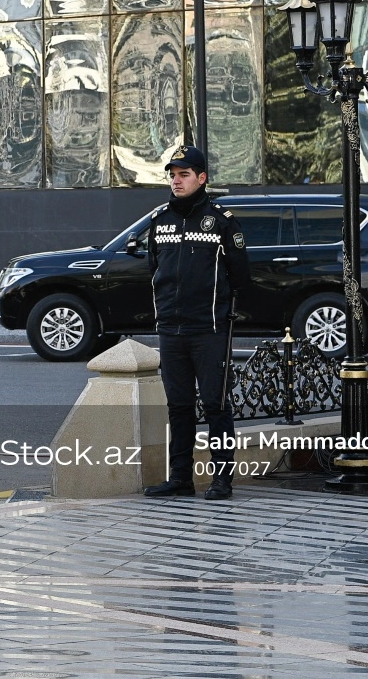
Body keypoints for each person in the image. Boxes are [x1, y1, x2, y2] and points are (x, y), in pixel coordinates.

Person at [143, 146, 250, 501]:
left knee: (216, 406)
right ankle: (180, 478)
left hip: (209, 329)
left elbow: (240, 275)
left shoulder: (221, 220)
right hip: (170, 329)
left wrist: (220, 311)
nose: (177, 180)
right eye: (173, 174)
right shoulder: (159, 221)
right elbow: (153, 268)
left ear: (202, 178)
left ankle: (222, 480)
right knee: (179, 405)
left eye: (184, 174)